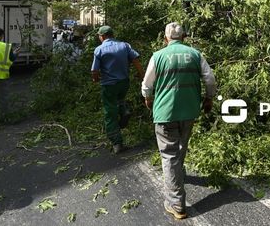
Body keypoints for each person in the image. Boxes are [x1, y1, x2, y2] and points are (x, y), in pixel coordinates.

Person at [142, 22, 216, 220]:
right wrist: (208, 99)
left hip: (165, 113)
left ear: (165, 39)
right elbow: (210, 79)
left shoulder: (158, 56)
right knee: (181, 147)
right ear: (184, 37)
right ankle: (178, 176)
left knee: (169, 154)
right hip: (189, 111)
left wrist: (148, 99)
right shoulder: (195, 54)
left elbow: (147, 85)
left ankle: (176, 203)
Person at [91, 25, 144, 154]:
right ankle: (124, 110)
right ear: (112, 35)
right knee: (120, 99)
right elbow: (136, 61)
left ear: (102, 36)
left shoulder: (99, 49)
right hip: (124, 83)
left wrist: (96, 79)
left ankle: (117, 143)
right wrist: (142, 76)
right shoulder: (125, 45)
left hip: (109, 85)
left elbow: (94, 71)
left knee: (110, 112)